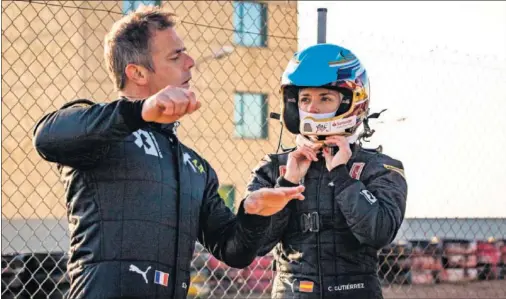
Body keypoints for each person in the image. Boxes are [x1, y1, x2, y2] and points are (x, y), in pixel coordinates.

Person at [32, 5, 305, 299]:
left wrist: (252, 214)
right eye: (175, 57)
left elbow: (232, 251)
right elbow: (47, 137)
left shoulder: (194, 165)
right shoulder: (101, 130)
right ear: (137, 72)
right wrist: (141, 111)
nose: (190, 63)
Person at [247, 43, 408, 298]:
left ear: (349, 102)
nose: (312, 109)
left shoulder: (379, 168)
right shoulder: (273, 167)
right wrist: (287, 184)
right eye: (305, 99)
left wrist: (343, 178)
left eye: (325, 98)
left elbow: (378, 232)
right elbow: (253, 242)